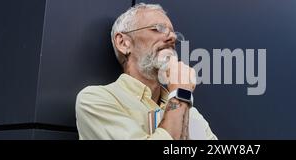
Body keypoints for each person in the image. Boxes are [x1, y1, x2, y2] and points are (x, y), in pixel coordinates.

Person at [75, 3, 217, 140]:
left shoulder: (189, 111)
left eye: (174, 34)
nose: (172, 38)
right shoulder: (96, 100)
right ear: (123, 43)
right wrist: (181, 94)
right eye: (158, 28)